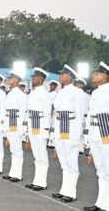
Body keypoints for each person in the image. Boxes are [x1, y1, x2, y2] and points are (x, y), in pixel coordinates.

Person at [52, 64, 85, 203]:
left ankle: (71, 193)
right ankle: (64, 190)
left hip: (71, 129)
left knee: (72, 162)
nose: (60, 76)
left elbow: (79, 116)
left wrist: (77, 137)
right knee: (64, 162)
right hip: (60, 128)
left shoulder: (78, 93)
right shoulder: (60, 92)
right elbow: (56, 114)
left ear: (70, 76)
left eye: (63, 74)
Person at [83, 61, 109, 211]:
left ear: (105, 76)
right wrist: (87, 135)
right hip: (95, 133)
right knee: (101, 171)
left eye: (97, 73)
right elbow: (90, 116)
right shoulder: (96, 92)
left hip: (106, 134)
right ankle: (101, 203)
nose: (93, 75)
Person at [25, 67, 52, 191]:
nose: (33, 79)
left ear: (41, 79)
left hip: (40, 125)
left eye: (35, 77)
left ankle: (42, 183)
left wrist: (46, 130)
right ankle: (37, 181)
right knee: (36, 154)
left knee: (42, 154)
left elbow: (47, 113)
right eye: (33, 77)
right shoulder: (33, 92)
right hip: (32, 125)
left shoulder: (45, 94)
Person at [2, 71, 27, 182]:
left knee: (17, 150)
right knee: (13, 150)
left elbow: (22, 113)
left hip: (15, 124)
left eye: (11, 78)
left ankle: (18, 175)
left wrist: (21, 129)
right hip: (9, 123)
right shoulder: (10, 93)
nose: (8, 79)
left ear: (16, 81)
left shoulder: (21, 95)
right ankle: (13, 173)